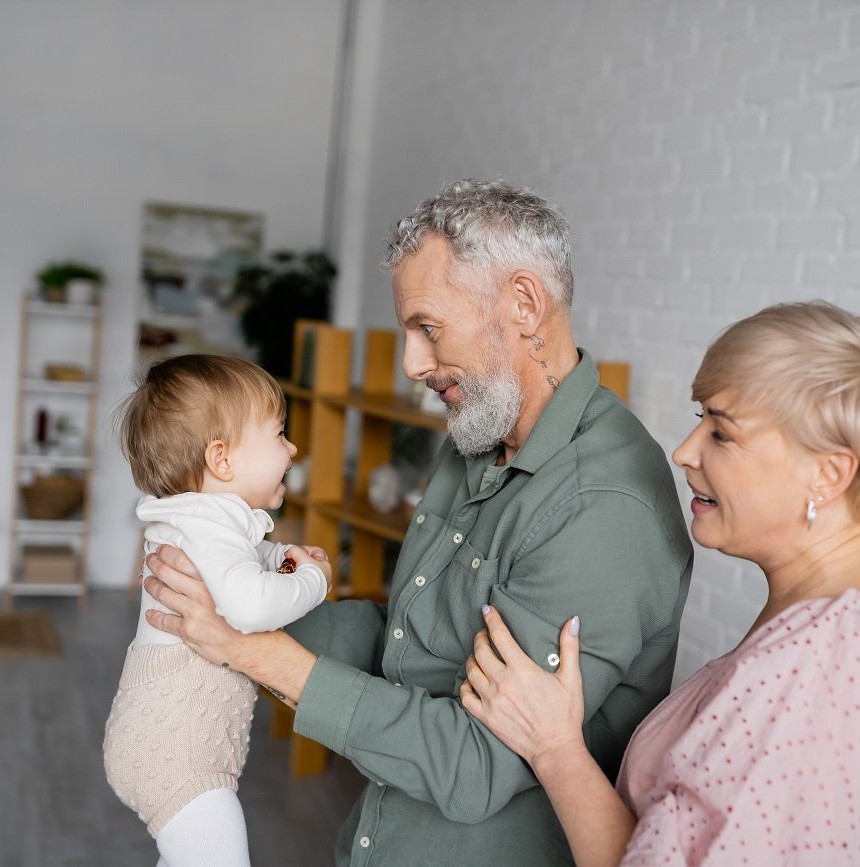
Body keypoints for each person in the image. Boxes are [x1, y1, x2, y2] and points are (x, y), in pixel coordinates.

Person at [140, 179, 695, 865]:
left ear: (524, 305)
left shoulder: (603, 504)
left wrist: (253, 652)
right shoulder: (479, 432)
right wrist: (226, 604)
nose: (412, 365)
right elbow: (407, 639)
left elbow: (478, 763)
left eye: (428, 329)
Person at [461, 301, 860, 866]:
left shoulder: (826, 666)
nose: (684, 451)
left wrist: (555, 748)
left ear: (828, 473)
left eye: (722, 433)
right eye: (699, 418)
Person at [103, 354, 330, 867]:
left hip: (169, 742)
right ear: (222, 460)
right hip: (176, 753)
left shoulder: (205, 522)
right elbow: (250, 605)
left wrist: (284, 558)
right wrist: (313, 580)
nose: (293, 448)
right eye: (279, 434)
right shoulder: (207, 526)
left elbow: (244, 564)